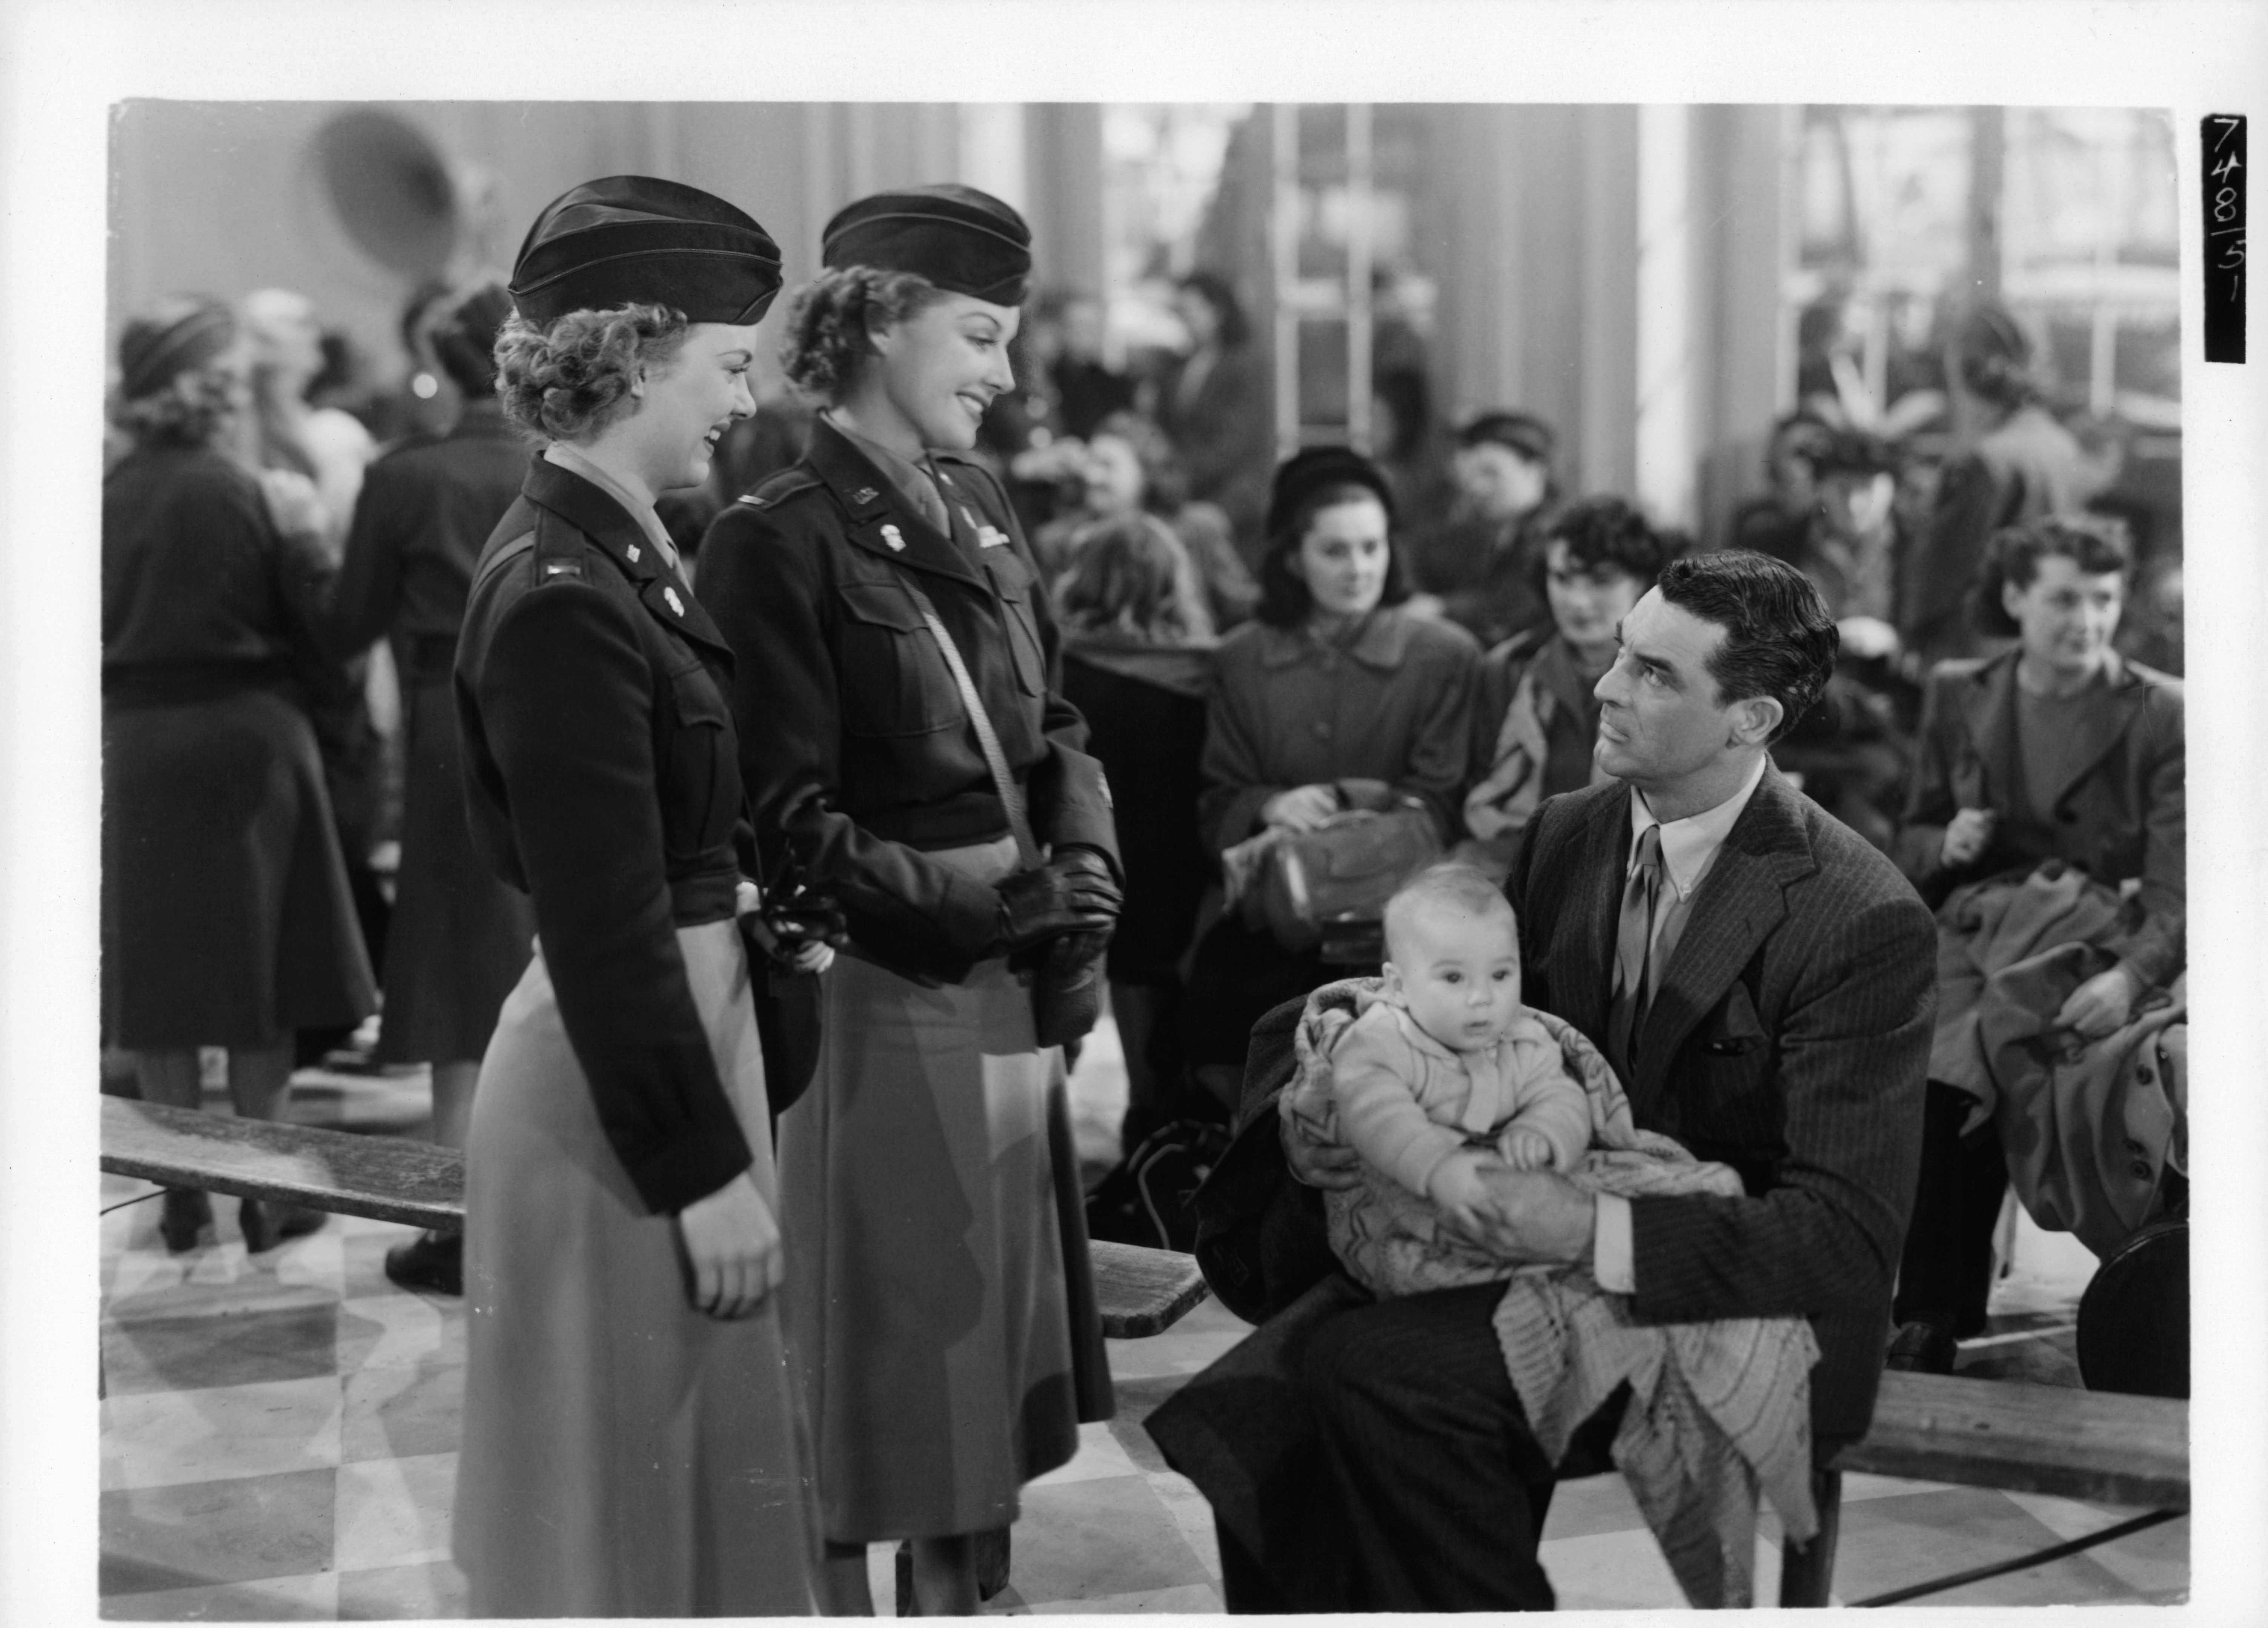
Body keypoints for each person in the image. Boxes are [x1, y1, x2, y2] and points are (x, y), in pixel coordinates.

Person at [1145, 549, 1939, 1612]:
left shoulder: (1858, 914)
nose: (1606, 686)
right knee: (1257, 1406)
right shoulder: (1572, 830)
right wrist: (1337, 1110)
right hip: (1521, 1245)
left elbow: (1842, 1245)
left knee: (1375, 1375)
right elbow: (1497, 1042)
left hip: (1724, 1296)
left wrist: (1581, 1226)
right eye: (1620, 653)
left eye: (1655, 674)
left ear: (1748, 719)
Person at [697, 183, 1122, 1617]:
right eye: (982, 336)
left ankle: (965, 1598)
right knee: (884, 1375)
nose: (1005, 376)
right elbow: (783, 817)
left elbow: (1053, 727)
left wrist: (1087, 881)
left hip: (1006, 989)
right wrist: (982, 913)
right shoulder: (778, 536)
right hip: (884, 1004)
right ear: (878, 322)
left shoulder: (982, 506)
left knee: (980, 1381)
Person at [447, 177, 820, 1617]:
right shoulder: (560, 587)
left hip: (668, 1046)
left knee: (675, 1502)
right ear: (637, 358)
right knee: (614, 1526)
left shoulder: (611, 547)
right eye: (730, 364)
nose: (746, 394)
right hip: (623, 1097)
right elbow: (598, 921)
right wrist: (700, 1170)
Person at [101, 297, 377, 1254]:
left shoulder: (101, 490)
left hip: (137, 743)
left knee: (164, 982)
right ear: (219, 390)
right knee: (262, 970)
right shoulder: (249, 491)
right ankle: (265, 1191)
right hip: (248, 740)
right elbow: (323, 636)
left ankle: (181, 1189)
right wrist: (307, 544)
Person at [1885, 515, 2183, 1374]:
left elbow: (2177, 887)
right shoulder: (1959, 689)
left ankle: (1939, 1311)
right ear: (2015, 597)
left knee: (1973, 1056)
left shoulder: (2159, 710)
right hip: (1972, 929)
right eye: (2061, 598)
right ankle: (1928, 1312)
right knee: (1932, 1049)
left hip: (2092, 940)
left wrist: (2128, 978)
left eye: (2100, 599)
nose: (2082, 620)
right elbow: (1909, 840)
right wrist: (1945, 843)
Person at [322, 278, 536, 1296]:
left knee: (460, 973)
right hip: (563, 713)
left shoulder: (408, 474)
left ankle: (463, 1221)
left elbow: (348, 620)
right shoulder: (553, 461)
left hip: (451, 721)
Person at [1180, 446, 1479, 1116]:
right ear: (1293, 557)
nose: (1359, 569)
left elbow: (1443, 800)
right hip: (1273, 917)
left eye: (1372, 548)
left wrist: (1347, 803)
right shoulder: (1241, 660)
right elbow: (1219, 799)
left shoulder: (1443, 656)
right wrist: (1268, 806)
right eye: (1335, 551)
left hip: (1397, 917)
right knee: (1224, 1029)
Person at [1308, 867, 1590, 1267]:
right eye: (1454, 977)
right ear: (1400, 985)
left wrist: (1543, 1129)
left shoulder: (1523, 1038)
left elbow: (1563, 1095)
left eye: (1501, 974)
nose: (1483, 997)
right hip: (1405, 1188)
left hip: (1499, 1192)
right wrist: (1438, 1166)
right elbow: (1377, 1113)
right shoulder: (1382, 1040)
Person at [1054, 511, 1219, 1150]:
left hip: (1089, 855)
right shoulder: (1206, 673)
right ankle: (1160, 1140)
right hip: (1178, 869)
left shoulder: (1061, 671)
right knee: (1162, 1005)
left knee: (1086, 1008)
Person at [1461, 496, 1678, 871]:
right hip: (1519, 861)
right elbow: (1478, 786)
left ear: (1642, 581)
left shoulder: (1674, 677)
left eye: (1600, 580)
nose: (1577, 601)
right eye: (1562, 578)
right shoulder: (1510, 669)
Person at [1899, 301, 2087, 668]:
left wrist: (1909, 634)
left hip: (1972, 656)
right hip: (2040, 649)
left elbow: (1941, 573)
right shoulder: (2061, 445)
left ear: (1964, 369)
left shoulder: (1982, 460)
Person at [1031, 409, 1258, 633]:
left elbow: (1242, 610)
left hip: (1193, 662)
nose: (1092, 476)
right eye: (1090, 462)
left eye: (1107, 465)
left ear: (1145, 472)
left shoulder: (1200, 528)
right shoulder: (1058, 541)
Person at [1404, 410, 1559, 649]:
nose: (1477, 488)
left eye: (1491, 473)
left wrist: (1441, 608)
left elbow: (1517, 604)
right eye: (1474, 475)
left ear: (1534, 471)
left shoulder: (1554, 533)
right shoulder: (1496, 530)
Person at [1155, 270, 1274, 557]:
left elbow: (1234, 442)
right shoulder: (1182, 366)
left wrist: (1179, 476)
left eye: (1192, 310)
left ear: (1217, 311)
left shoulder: (1243, 365)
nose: (1185, 319)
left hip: (1232, 497)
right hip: (1190, 492)